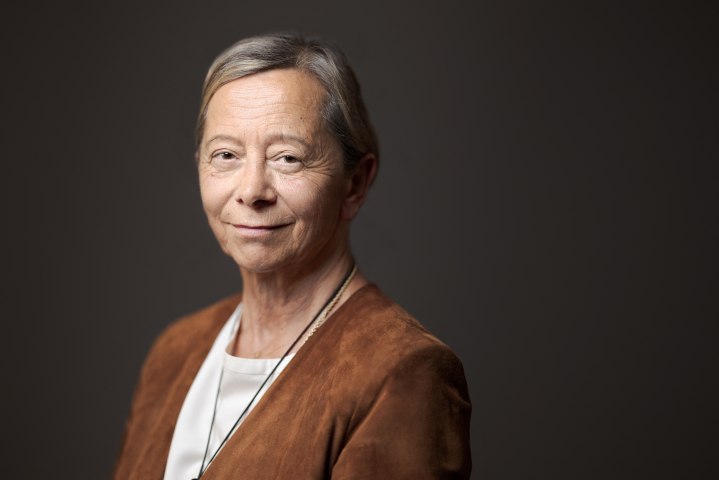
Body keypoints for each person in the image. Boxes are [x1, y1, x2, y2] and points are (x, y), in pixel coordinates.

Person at [112, 33, 471, 480]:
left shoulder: (403, 372)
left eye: (287, 158)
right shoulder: (175, 351)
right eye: (226, 155)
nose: (250, 191)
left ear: (355, 184)